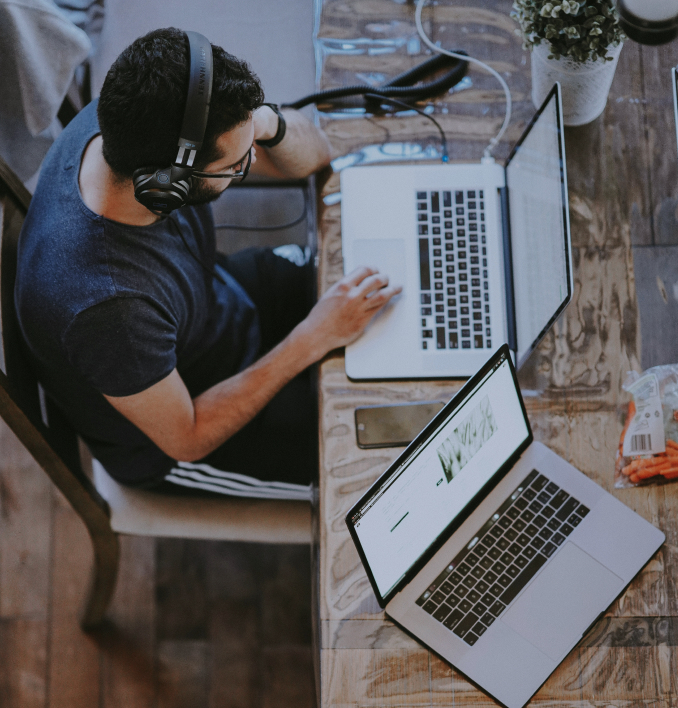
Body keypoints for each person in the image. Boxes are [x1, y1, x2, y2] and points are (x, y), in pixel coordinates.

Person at [15, 27, 400, 497]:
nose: (249, 164)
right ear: (167, 185)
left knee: (390, 294)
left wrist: (261, 123)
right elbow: (188, 436)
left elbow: (315, 154)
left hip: (214, 307)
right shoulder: (108, 309)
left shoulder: (134, 118)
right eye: (236, 165)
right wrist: (313, 337)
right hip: (187, 427)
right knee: (383, 456)